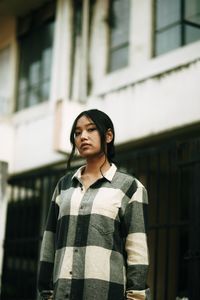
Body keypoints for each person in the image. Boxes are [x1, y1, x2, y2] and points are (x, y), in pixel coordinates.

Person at [38, 109, 150, 300]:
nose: (83, 137)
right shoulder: (63, 186)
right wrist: (46, 294)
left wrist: (136, 297)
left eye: (90, 129)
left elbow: (136, 250)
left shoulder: (130, 188)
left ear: (108, 136)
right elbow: (49, 242)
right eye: (77, 132)